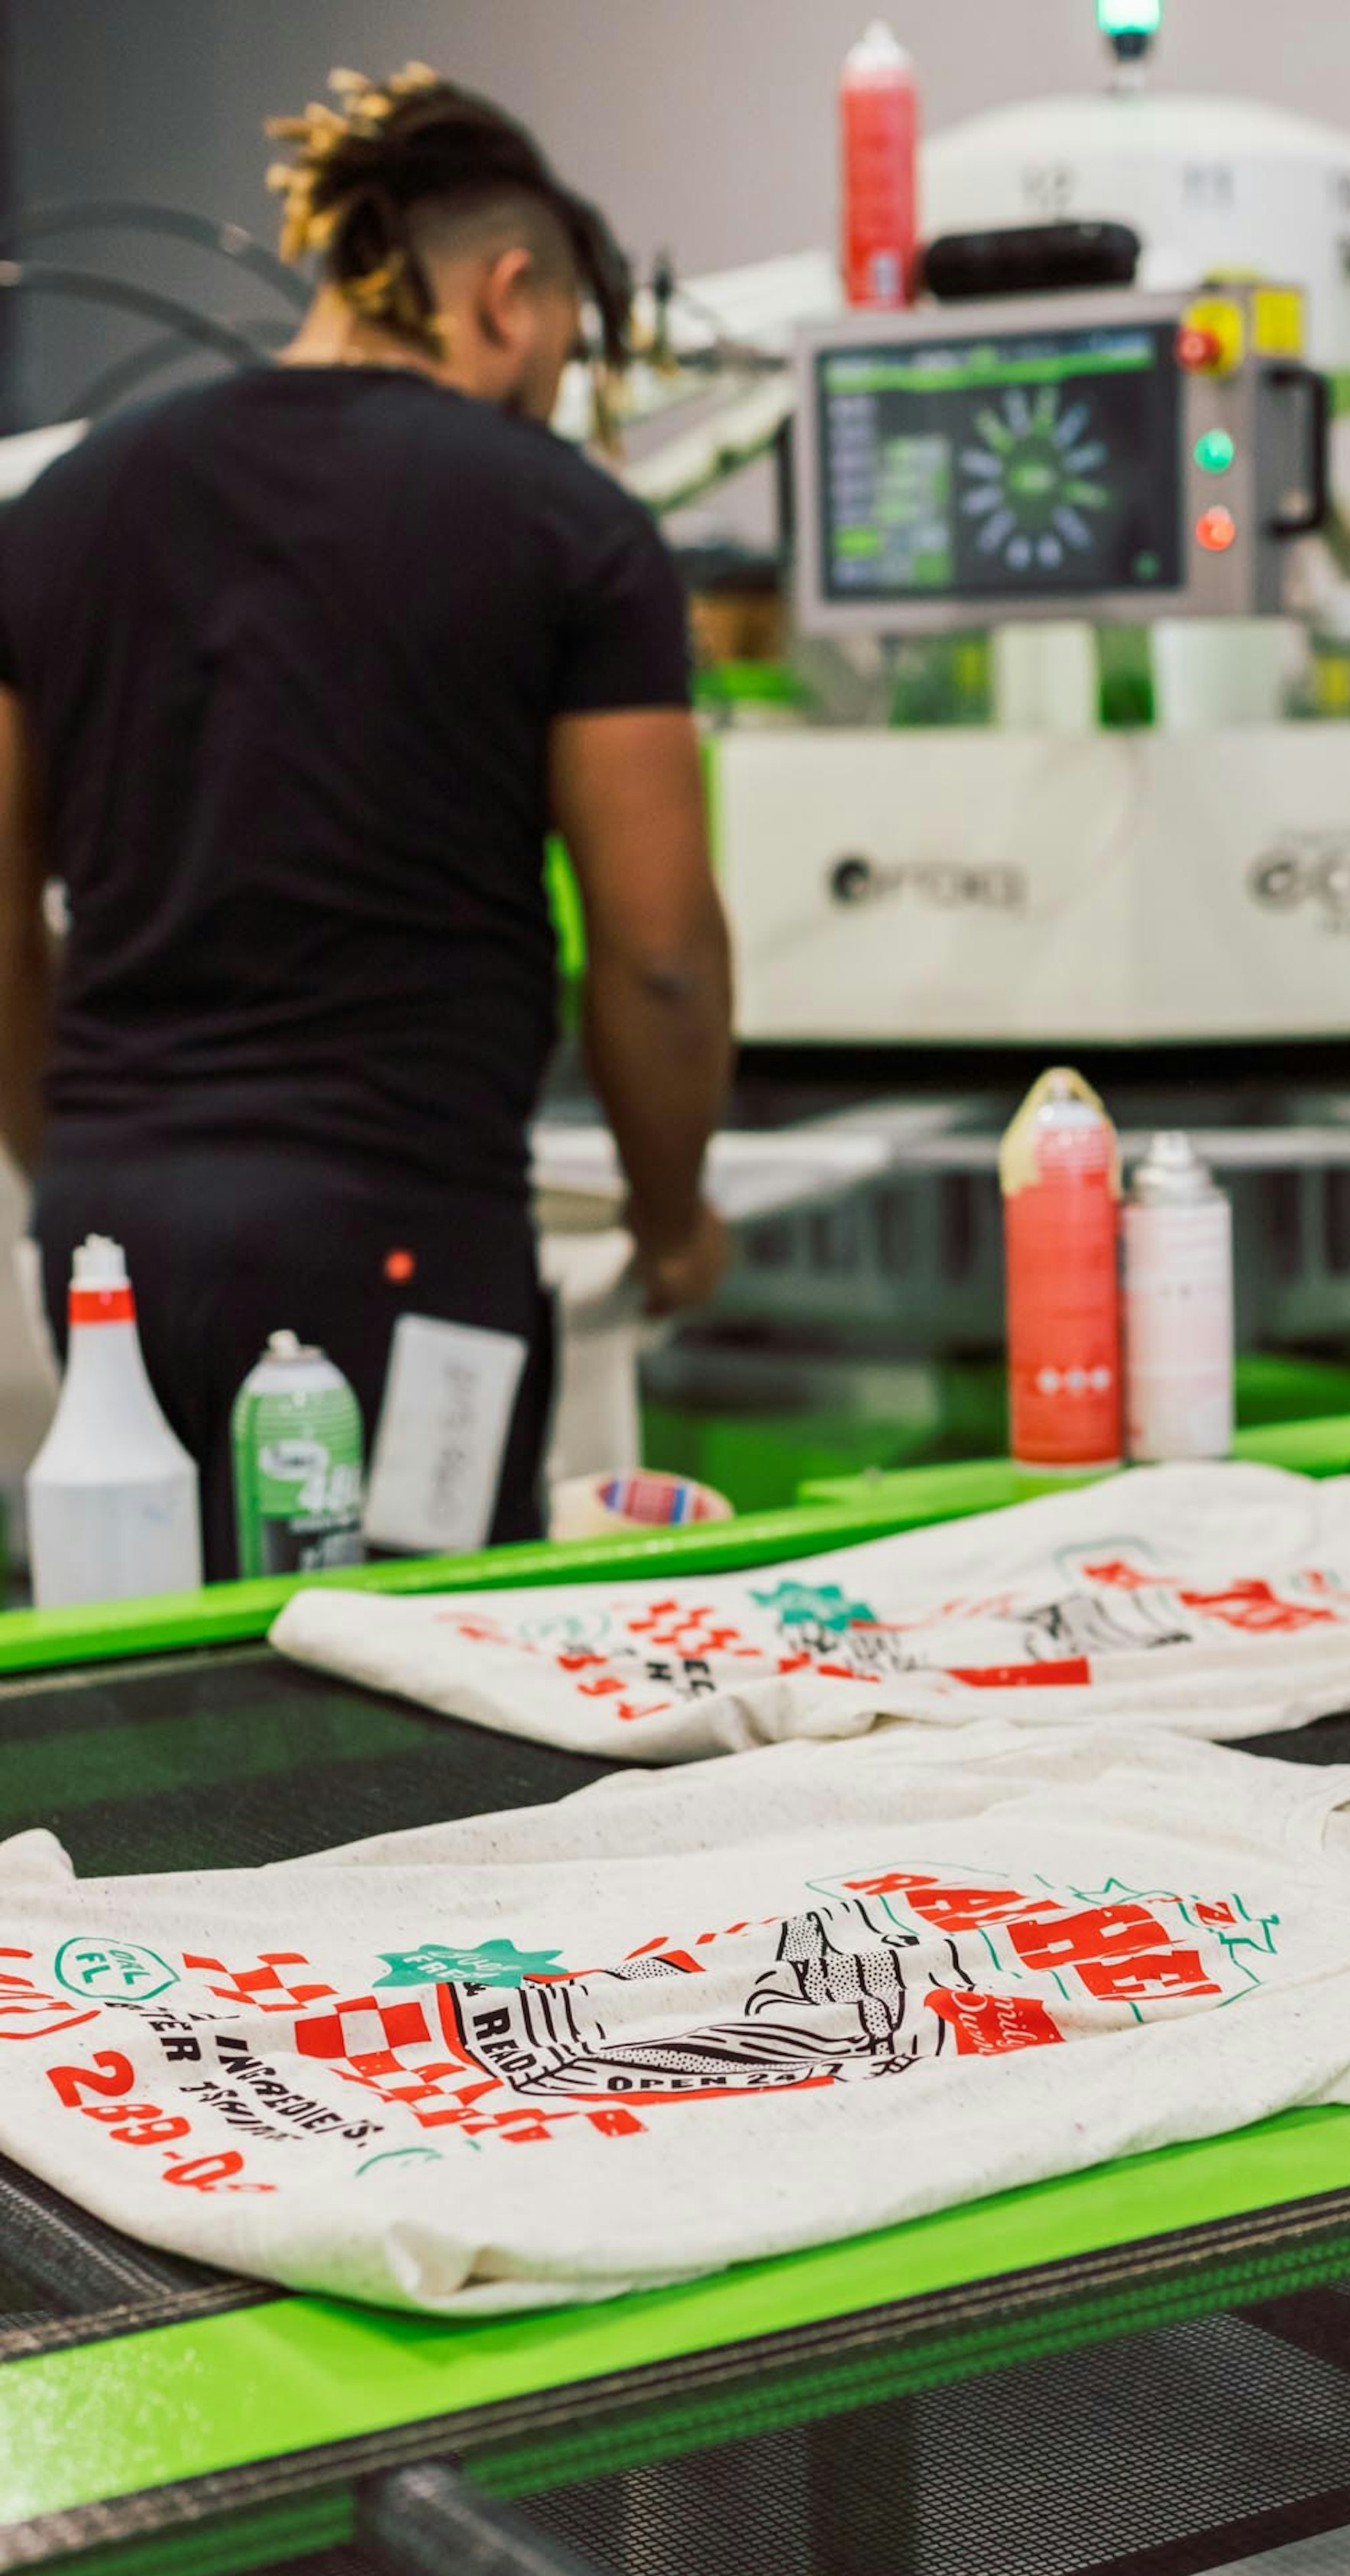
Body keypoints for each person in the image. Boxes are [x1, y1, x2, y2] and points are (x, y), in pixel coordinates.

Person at [0, 66, 733, 1568]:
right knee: (409, 1725)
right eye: (556, 368)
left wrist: (74, 1166)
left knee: (145, 1712)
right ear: (509, 296)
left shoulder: (58, 514)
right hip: (398, 1250)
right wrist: (671, 1220)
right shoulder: (566, 526)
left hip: (106, 1243)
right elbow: (657, 954)